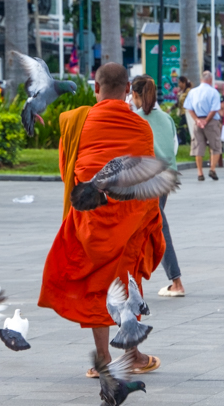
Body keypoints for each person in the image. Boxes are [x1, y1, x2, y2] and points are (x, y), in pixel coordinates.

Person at [39, 62, 164, 372]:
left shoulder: (77, 122)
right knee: (125, 282)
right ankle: (132, 355)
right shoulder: (141, 127)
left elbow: (68, 169)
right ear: (126, 91)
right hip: (127, 220)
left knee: (98, 286)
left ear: (95, 88)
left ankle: (104, 360)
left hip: (90, 221)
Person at [131, 75, 186, 298]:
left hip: (147, 181)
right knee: (155, 225)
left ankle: (176, 281)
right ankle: (171, 280)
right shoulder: (166, 118)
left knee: (153, 227)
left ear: (135, 95)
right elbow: (173, 147)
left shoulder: (135, 119)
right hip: (166, 178)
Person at [184, 70, 223, 180]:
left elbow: (189, 108)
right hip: (211, 121)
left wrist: (197, 120)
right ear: (210, 80)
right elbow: (215, 109)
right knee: (215, 146)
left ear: (201, 79)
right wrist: (206, 120)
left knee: (198, 147)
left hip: (197, 121)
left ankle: (200, 172)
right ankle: (212, 169)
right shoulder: (213, 92)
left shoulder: (193, 92)